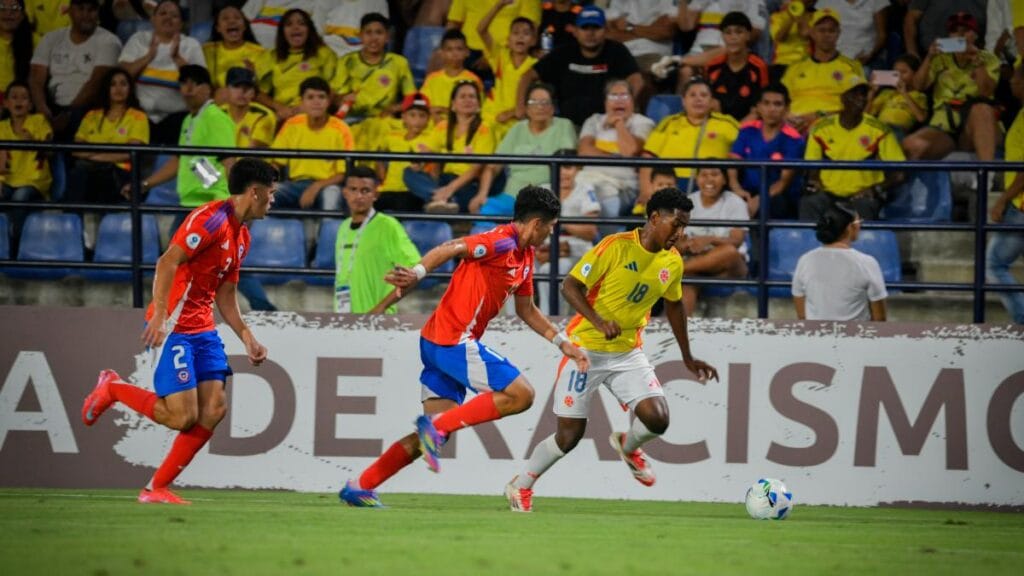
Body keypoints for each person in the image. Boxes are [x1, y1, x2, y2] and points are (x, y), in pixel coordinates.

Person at [338, 185, 590, 508]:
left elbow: (527, 309)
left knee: (433, 435)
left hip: (437, 342)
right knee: (522, 395)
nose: (551, 234)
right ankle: (434, 427)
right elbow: (451, 247)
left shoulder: (525, 256)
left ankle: (360, 485)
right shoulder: (499, 241)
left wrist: (561, 342)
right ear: (537, 223)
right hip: (452, 340)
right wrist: (418, 273)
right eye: (551, 227)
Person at [504, 187, 719, 513]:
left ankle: (628, 446)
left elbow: (674, 305)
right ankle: (520, 485)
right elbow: (570, 286)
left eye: (684, 226)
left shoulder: (672, 261)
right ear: (654, 218)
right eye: (676, 224)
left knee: (658, 419)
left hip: (627, 353)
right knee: (569, 437)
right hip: (584, 351)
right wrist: (598, 321)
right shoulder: (615, 247)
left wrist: (687, 356)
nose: (680, 233)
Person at [80, 157, 277, 505]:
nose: (273, 200)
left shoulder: (242, 236)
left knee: (214, 409)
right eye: (271, 193)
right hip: (174, 326)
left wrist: (246, 336)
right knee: (181, 417)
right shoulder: (210, 220)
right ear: (255, 192)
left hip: (203, 329)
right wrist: (159, 314)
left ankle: (155, 488)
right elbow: (167, 261)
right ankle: (112, 388)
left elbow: (226, 292)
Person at [129, 65, 237, 210]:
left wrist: (231, 206)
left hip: (212, 204)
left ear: (208, 89)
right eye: (184, 83)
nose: (189, 89)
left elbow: (229, 162)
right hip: (189, 203)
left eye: (196, 83)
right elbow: (180, 160)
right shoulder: (188, 120)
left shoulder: (216, 118)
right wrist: (145, 185)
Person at [901, 12, 1001, 168]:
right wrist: (929, 57)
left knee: (981, 109)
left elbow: (986, 92)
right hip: (944, 127)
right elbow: (918, 86)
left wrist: (977, 63)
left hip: (975, 124)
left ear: (975, 35)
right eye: (955, 31)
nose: (960, 35)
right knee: (911, 145)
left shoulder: (988, 59)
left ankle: (986, 175)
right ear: (949, 36)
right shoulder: (939, 58)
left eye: (965, 31)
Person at [518, 6, 642, 127]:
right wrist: (521, 107)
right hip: (567, 125)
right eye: (585, 28)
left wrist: (626, 107)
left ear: (605, 30)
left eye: (596, 28)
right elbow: (528, 76)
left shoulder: (616, 51)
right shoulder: (563, 52)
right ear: (576, 31)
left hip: (605, 124)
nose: (590, 33)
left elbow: (636, 80)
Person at [801, 79, 905, 221]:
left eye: (863, 94)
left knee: (865, 205)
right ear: (843, 98)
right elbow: (812, 166)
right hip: (828, 193)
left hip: (862, 196)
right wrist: (814, 180)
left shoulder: (879, 130)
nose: (861, 98)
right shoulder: (821, 129)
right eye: (854, 94)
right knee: (809, 203)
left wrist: (875, 189)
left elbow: (899, 173)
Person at [639, 77, 740, 211]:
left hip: (711, 185)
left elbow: (742, 152)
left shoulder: (728, 124)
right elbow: (648, 156)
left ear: (712, 101)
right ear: (683, 101)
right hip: (671, 184)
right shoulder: (669, 123)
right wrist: (646, 189)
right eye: (692, 95)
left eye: (703, 95)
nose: (698, 99)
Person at [476, 82, 576, 216]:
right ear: (526, 109)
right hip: (513, 195)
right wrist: (482, 194)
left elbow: (568, 165)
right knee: (486, 210)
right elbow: (493, 166)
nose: (540, 107)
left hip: (547, 197)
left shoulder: (564, 126)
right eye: (533, 102)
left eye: (545, 102)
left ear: (553, 108)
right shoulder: (517, 128)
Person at [333, 166, 421, 314]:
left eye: (365, 190)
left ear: (375, 194)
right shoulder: (343, 228)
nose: (358, 196)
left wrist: (382, 307)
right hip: (344, 318)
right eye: (353, 189)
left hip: (379, 321)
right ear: (345, 193)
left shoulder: (388, 226)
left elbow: (415, 270)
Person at [29, 0, 122, 140]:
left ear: (98, 13)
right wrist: (42, 110)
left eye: (91, 10)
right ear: (70, 11)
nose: (86, 15)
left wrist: (69, 114)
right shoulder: (51, 38)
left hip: (89, 107)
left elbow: (96, 83)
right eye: (81, 9)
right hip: (52, 105)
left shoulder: (109, 41)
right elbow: (36, 78)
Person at [118, 0, 206, 145]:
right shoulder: (139, 39)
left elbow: (201, 87)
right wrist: (148, 57)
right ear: (153, 19)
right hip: (140, 115)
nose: (168, 18)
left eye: (174, 15)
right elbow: (122, 76)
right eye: (163, 13)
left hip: (178, 117)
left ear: (181, 24)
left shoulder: (191, 45)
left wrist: (177, 59)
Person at [404, 80, 496, 214]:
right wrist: (420, 163)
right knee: (409, 173)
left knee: (453, 191)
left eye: (472, 97)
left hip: (467, 184)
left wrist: (449, 189)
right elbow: (427, 150)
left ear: (478, 105)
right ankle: (444, 200)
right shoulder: (443, 126)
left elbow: (476, 169)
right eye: (462, 96)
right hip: (444, 180)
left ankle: (440, 200)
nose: (467, 100)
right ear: (453, 104)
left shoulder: (485, 129)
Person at [332, 12, 416, 151]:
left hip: (384, 120)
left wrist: (393, 108)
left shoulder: (399, 63)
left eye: (379, 32)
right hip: (353, 119)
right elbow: (335, 97)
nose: (373, 38)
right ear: (360, 36)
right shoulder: (347, 61)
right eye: (368, 33)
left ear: (387, 37)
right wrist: (342, 99)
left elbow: (411, 98)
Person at [577, 78, 656, 224]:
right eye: (613, 96)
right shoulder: (594, 120)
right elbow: (584, 151)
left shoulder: (643, 123)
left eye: (624, 96)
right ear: (605, 102)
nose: (619, 101)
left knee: (602, 201)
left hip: (622, 185)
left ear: (633, 101)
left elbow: (629, 152)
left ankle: (602, 237)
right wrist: (616, 157)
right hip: (587, 180)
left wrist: (619, 124)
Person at [792, 201, 888, 321]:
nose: (860, 225)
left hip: (816, 332)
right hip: (856, 333)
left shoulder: (805, 260)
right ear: (849, 227)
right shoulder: (867, 263)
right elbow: (879, 318)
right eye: (859, 221)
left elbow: (801, 315)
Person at [270, 76, 354, 211]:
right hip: (295, 185)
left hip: (328, 185)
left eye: (321, 97)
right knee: (266, 193)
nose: (316, 102)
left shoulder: (342, 129)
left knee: (332, 194)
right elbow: (276, 163)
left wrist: (316, 187)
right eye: (310, 97)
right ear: (301, 102)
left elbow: (343, 174)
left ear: (328, 101)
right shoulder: (292, 124)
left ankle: (328, 225)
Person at [67, 67, 149, 204]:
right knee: (78, 173)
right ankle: (73, 214)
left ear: (130, 88)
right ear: (106, 88)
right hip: (90, 170)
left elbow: (130, 153)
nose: (118, 89)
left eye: (123, 84)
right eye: (113, 84)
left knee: (93, 173)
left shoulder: (138, 116)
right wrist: (101, 156)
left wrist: (93, 155)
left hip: (120, 173)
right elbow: (76, 149)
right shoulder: (92, 115)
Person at [534, 149, 601, 315]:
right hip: (543, 248)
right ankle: (515, 323)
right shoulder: (543, 190)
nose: (564, 172)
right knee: (514, 268)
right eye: (560, 167)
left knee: (551, 270)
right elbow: (532, 227)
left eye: (569, 167)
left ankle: (552, 320)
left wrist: (558, 221)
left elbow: (590, 231)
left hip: (576, 250)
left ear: (577, 169)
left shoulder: (585, 189)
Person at [676, 166, 749, 315]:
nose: (709, 179)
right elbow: (676, 240)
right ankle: (679, 328)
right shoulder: (686, 203)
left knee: (729, 252)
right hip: (696, 262)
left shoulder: (735, 202)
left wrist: (710, 240)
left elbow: (737, 241)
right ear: (697, 179)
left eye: (715, 174)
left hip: (729, 268)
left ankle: (675, 270)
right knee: (687, 284)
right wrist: (688, 244)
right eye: (704, 175)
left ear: (724, 180)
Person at [728, 83, 806, 218]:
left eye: (777, 104)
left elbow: (783, 183)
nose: (771, 109)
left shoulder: (794, 140)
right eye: (766, 103)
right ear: (758, 107)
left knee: (774, 204)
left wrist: (760, 199)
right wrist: (736, 188)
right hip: (747, 191)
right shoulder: (747, 130)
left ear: (786, 108)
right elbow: (733, 162)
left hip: (777, 196)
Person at [781, 8, 864, 133]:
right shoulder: (795, 68)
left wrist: (818, 116)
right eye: (821, 30)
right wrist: (786, 117)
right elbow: (780, 100)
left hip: (833, 126)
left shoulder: (852, 67)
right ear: (812, 33)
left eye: (831, 31)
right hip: (793, 124)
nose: (826, 35)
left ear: (838, 33)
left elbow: (857, 107)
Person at [985, 58, 1024, 324]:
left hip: (1020, 205)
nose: (1011, 83)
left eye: (1016, 79)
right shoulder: (1019, 114)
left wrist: (1002, 200)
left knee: (995, 265)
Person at [256, 8, 336, 122]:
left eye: (301, 23)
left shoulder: (324, 53)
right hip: (282, 115)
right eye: (289, 24)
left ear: (309, 30)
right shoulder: (271, 56)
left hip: (314, 113)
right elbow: (260, 94)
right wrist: (279, 107)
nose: (295, 27)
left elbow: (333, 90)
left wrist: (308, 106)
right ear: (282, 32)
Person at [0, 80, 51, 250]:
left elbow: (50, 151)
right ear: (6, 103)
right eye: (14, 97)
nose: (19, 101)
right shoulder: (1, 128)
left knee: (20, 196)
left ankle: (15, 244)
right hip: (7, 180)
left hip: (33, 182)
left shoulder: (39, 121)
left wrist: (32, 142)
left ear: (30, 105)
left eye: (24, 97)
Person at [477, 2, 538, 141]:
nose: (520, 37)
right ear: (508, 39)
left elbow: (537, 99)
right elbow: (481, 30)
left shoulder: (536, 66)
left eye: (526, 33)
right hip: (491, 118)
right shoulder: (500, 56)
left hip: (519, 122)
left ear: (533, 41)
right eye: (515, 33)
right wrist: (499, 6)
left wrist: (512, 113)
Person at [604, 0, 677, 110]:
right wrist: (649, 30)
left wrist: (629, 27)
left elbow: (665, 31)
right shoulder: (618, 2)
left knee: (643, 79)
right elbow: (607, 34)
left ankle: (634, 115)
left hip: (652, 53)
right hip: (622, 52)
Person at [705, 11, 769, 122]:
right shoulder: (712, 66)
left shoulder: (759, 67)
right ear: (722, 36)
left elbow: (759, 108)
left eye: (739, 32)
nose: (733, 37)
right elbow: (710, 103)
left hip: (748, 126)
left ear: (748, 35)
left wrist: (738, 129)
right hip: (719, 125)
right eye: (728, 33)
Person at [375, 91, 432, 213]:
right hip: (388, 189)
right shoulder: (392, 136)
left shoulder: (431, 139)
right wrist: (382, 177)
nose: (417, 120)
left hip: (411, 192)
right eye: (412, 115)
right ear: (404, 117)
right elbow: (379, 153)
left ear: (428, 119)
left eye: (422, 116)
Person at [202, 5, 265, 102]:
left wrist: (254, 78)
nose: (232, 21)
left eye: (237, 18)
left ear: (244, 26)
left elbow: (263, 91)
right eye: (225, 18)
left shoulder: (259, 52)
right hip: (213, 103)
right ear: (218, 28)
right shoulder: (206, 50)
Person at [420, 29, 483, 123]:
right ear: (442, 53)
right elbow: (421, 105)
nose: (454, 54)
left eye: (459, 49)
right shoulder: (431, 79)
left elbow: (477, 111)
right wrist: (432, 113)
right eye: (449, 49)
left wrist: (443, 110)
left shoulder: (473, 80)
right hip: (432, 126)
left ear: (467, 52)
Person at [866, 54, 929, 136]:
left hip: (898, 130)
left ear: (915, 74)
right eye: (895, 73)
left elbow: (921, 118)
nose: (899, 76)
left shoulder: (919, 96)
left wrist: (904, 93)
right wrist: (871, 95)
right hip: (879, 128)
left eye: (904, 72)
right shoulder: (886, 92)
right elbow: (866, 115)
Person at [815, 0, 888, 65]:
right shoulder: (824, 2)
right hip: (832, 56)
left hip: (866, 58)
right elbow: (816, 30)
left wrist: (870, 55)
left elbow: (881, 35)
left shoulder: (877, 1)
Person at [221, 66, 275, 149]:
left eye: (248, 87)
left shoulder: (263, 115)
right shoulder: (217, 114)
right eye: (237, 86)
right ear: (226, 90)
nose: (242, 92)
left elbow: (253, 151)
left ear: (253, 93)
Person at [319, 0, 389, 58]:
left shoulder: (378, 2)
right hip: (329, 58)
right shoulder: (322, 2)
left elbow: (380, 36)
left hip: (364, 60)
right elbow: (317, 36)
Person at [0, 0, 33, 93]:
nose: (8, 13)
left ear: (23, 15)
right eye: (2, 8)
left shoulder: (38, 42)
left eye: (14, 8)